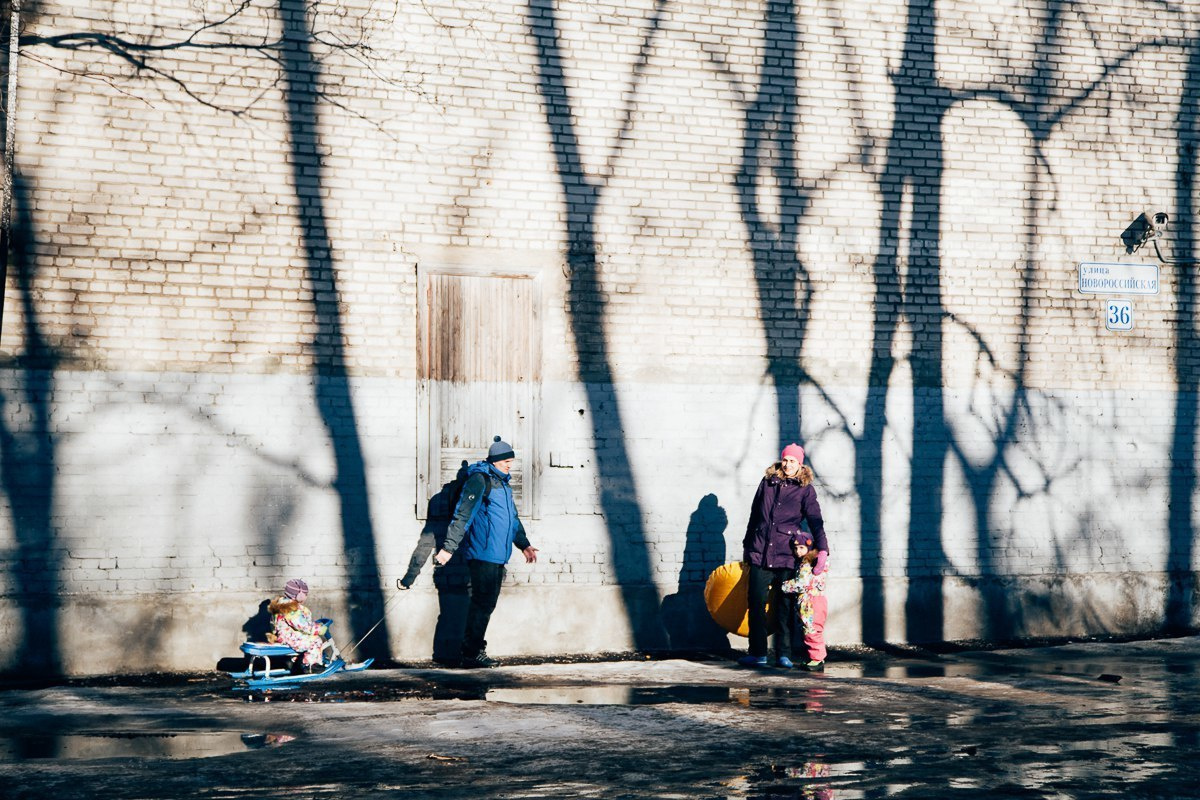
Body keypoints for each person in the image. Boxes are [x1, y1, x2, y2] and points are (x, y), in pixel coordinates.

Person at [433, 436, 538, 668]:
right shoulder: (479, 480)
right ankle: (470, 653)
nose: (509, 465)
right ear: (494, 461)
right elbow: (463, 514)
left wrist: (524, 544)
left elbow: (513, 521)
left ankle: (472, 650)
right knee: (483, 603)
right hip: (482, 554)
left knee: (485, 603)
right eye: (505, 462)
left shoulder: (503, 485)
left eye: (511, 461)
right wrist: (448, 548)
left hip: (498, 555)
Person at [739, 443, 828, 668]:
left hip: (787, 554)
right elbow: (754, 514)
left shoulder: (805, 488)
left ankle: (783, 654)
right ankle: (758, 653)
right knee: (756, 603)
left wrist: (823, 549)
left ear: (800, 464)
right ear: (782, 460)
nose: (788, 465)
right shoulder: (767, 482)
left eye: (793, 461)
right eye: (786, 460)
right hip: (760, 552)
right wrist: (747, 546)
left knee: (784, 606)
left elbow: (816, 519)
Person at [781, 530, 829, 671]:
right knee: (812, 630)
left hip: (810, 603)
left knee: (811, 630)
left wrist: (783, 586)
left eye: (801, 548)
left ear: (809, 547)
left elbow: (801, 584)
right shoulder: (815, 563)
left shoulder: (806, 565)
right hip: (814, 601)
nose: (798, 551)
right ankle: (815, 657)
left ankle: (817, 659)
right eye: (795, 548)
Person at [268, 578, 330, 672]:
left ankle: (294, 661)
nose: (306, 597)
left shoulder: (282, 604)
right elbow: (302, 625)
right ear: (299, 595)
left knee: (306, 639)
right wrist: (318, 629)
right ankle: (309, 665)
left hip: (285, 636)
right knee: (315, 641)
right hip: (289, 637)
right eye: (305, 594)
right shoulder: (290, 609)